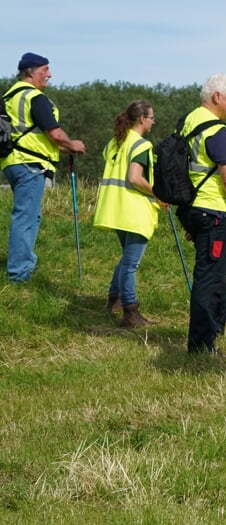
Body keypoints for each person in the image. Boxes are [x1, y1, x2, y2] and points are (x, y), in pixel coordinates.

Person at [177, 74, 226, 354]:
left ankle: (213, 331)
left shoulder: (189, 122)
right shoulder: (217, 131)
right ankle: (200, 345)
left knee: (215, 275)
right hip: (214, 213)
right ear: (216, 97)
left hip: (194, 210)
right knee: (209, 278)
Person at [3, 52, 86, 283]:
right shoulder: (35, 97)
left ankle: (22, 265)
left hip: (13, 162)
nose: (49, 74)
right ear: (31, 72)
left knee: (28, 216)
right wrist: (73, 145)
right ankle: (19, 274)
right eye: (45, 69)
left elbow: (26, 134)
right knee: (26, 217)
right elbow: (55, 133)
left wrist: (62, 149)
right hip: (31, 165)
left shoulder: (10, 95)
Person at [91, 100, 162, 327]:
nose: (153, 122)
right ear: (142, 119)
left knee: (126, 259)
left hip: (115, 208)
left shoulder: (116, 142)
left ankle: (114, 299)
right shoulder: (141, 145)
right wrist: (160, 195)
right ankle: (130, 312)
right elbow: (134, 178)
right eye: (152, 118)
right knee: (132, 263)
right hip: (134, 210)